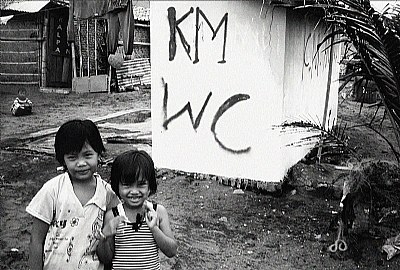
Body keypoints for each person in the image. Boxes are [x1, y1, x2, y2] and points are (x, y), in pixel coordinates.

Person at [26, 119, 120, 270]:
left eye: (88, 155)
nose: (81, 163)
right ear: (62, 159)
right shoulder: (52, 190)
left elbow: (108, 255)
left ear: (98, 154)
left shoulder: (108, 195)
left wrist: (104, 238)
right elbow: (36, 241)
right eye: (72, 157)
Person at [96, 150, 177, 270]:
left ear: (150, 185)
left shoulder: (158, 212)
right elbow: (105, 258)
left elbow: (172, 251)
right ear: (117, 186)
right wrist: (105, 237)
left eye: (141, 184)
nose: (134, 191)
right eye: (127, 185)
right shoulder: (113, 215)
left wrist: (154, 229)